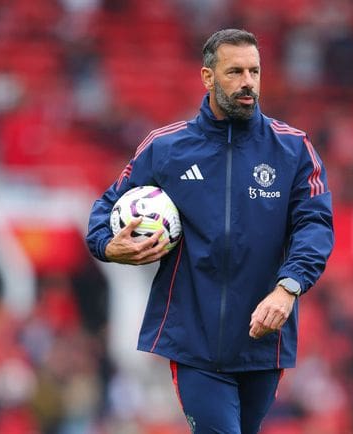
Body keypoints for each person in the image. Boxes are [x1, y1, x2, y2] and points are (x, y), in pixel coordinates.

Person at [86, 28, 334, 434]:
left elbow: (315, 223)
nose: (248, 82)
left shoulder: (293, 149)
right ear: (208, 77)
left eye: (254, 71)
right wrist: (106, 245)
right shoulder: (165, 148)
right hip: (193, 340)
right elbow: (106, 206)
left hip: (263, 337)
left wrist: (288, 287)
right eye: (235, 71)